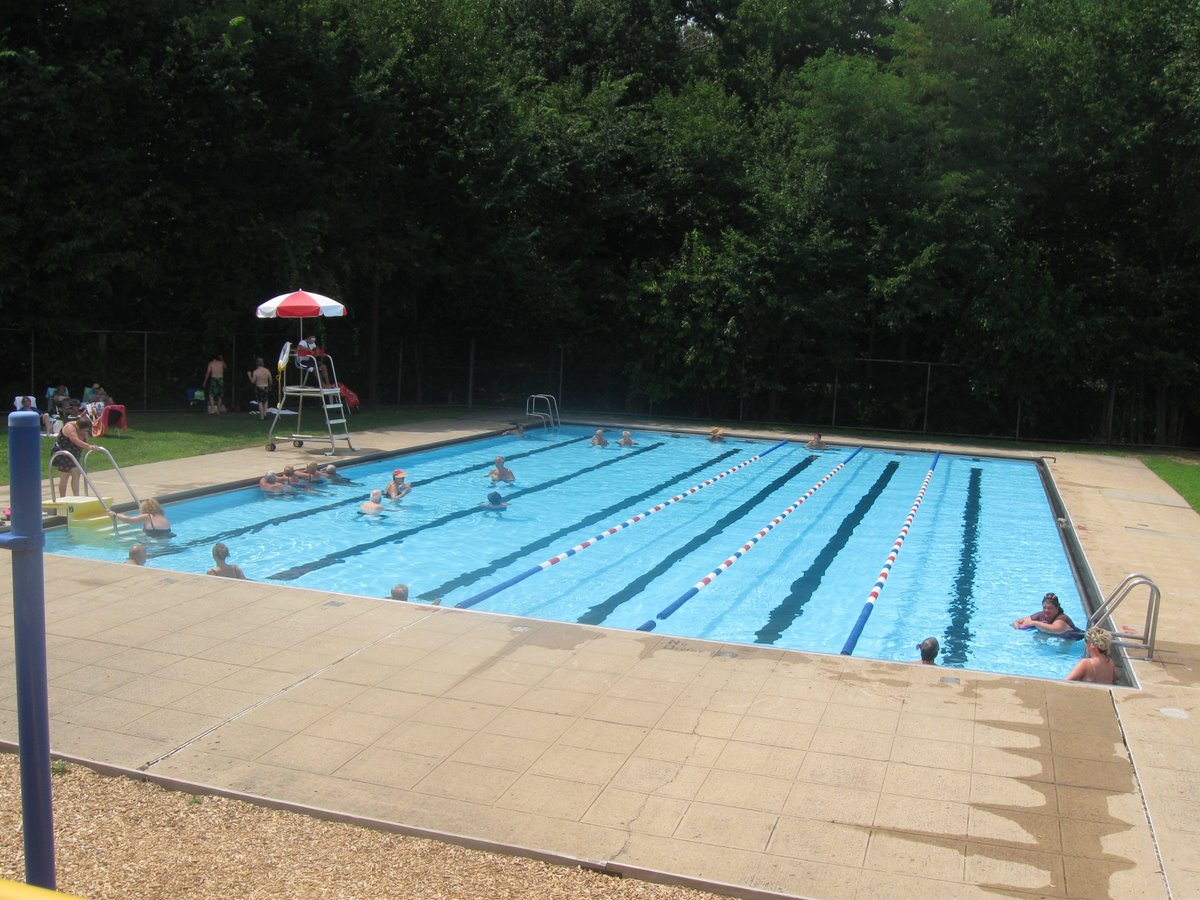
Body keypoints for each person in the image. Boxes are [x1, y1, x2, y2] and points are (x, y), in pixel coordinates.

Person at [52, 413, 98, 496]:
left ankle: (76, 496)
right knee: (65, 475)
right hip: (64, 453)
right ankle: (62, 497)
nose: (86, 431)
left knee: (76, 473)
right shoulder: (70, 428)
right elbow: (75, 440)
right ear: (79, 427)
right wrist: (89, 446)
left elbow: (83, 440)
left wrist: (85, 436)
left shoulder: (82, 431)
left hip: (73, 454)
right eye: (84, 430)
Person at [1012, 592, 1078, 634]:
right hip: (1055, 636)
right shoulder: (1041, 615)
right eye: (1044, 607)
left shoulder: (1062, 618)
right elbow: (1018, 621)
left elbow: (1055, 629)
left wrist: (1035, 623)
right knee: (1039, 635)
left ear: (1057, 608)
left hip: (1073, 637)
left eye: (1050, 608)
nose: (1046, 610)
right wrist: (1017, 626)